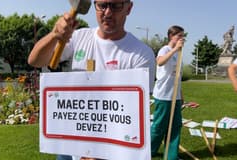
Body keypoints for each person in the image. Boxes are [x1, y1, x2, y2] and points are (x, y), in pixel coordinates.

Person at [28, 0, 155, 160]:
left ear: (128, 8)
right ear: (94, 5)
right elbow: (35, 61)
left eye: (115, 6)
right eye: (102, 5)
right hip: (70, 144)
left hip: (111, 150)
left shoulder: (141, 54)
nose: (107, 13)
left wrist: (99, 151)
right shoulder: (78, 37)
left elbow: (132, 117)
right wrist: (54, 35)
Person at [151, 25, 185, 160]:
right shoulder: (165, 49)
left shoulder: (179, 53)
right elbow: (159, 62)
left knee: (176, 126)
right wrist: (175, 49)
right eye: (179, 36)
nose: (182, 39)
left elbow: (178, 76)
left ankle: (171, 156)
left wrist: (181, 95)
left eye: (183, 36)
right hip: (163, 95)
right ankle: (149, 151)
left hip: (175, 96)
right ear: (171, 36)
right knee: (159, 126)